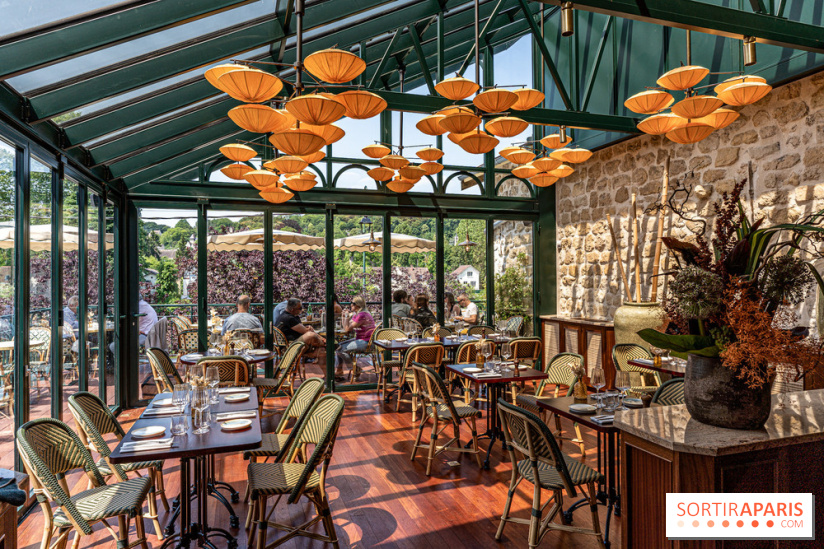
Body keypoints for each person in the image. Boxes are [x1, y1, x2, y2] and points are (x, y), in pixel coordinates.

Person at [335, 296, 375, 380]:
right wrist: (343, 316)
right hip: (361, 340)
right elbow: (346, 326)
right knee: (338, 346)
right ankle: (340, 370)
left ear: (357, 305)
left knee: (340, 349)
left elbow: (347, 329)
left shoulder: (362, 315)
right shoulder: (357, 314)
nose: (351, 305)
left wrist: (346, 317)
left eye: (352, 303)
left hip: (367, 342)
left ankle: (355, 369)